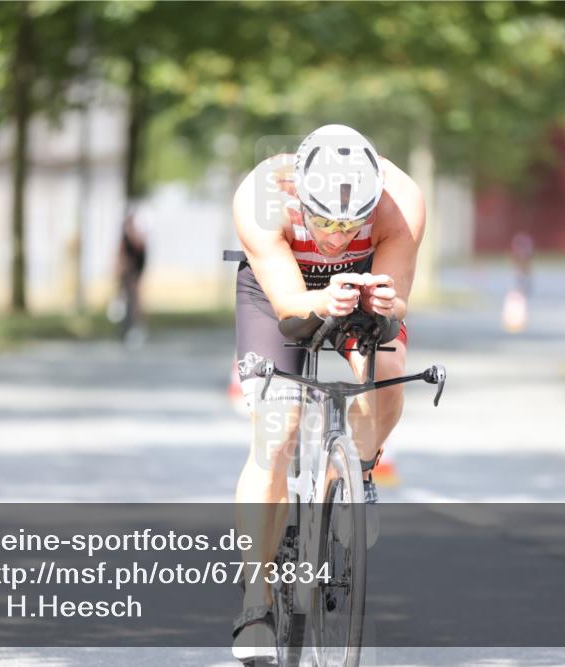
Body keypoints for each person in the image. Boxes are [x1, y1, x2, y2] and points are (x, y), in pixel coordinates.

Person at [230, 124, 425, 662]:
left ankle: (354, 471)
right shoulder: (262, 197)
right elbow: (291, 305)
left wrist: (383, 307)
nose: (337, 238)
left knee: (386, 372)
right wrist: (321, 299)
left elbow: (398, 304)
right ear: (299, 194)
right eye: (325, 222)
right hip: (282, 291)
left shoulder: (401, 201)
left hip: (362, 285)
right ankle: (255, 603)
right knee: (278, 428)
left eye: (351, 224)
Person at [114, 203, 148, 345]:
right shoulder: (126, 239)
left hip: (135, 273)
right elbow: (121, 256)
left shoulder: (136, 238)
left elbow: (141, 253)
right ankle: (126, 331)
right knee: (127, 303)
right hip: (128, 274)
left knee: (135, 303)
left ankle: (135, 330)